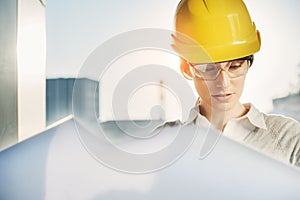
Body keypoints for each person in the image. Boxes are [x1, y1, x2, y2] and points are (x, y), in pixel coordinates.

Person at [171, 0, 300, 167]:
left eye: (235, 66)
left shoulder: (288, 138)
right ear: (186, 68)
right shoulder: (166, 140)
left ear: (248, 63)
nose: (223, 83)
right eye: (208, 69)